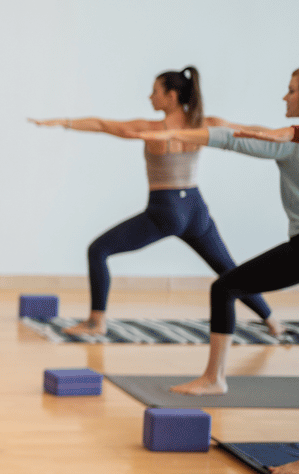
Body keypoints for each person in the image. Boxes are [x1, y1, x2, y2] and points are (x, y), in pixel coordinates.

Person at [30, 67, 281, 337]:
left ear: (171, 96)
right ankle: (272, 321)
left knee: (98, 250)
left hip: (166, 209)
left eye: (155, 92)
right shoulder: (205, 123)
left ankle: (96, 322)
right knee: (228, 269)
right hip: (196, 210)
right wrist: (290, 134)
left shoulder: (152, 129)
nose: (150, 97)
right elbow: (251, 130)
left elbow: (102, 125)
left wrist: (63, 121)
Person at [135, 69, 299, 400]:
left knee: (225, 287)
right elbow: (251, 133)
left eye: (292, 91)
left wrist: (174, 134)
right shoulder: (287, 140)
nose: (285, 96)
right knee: (227, 285)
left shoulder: (287, 144)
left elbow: (231, 139)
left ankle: (214, 378)